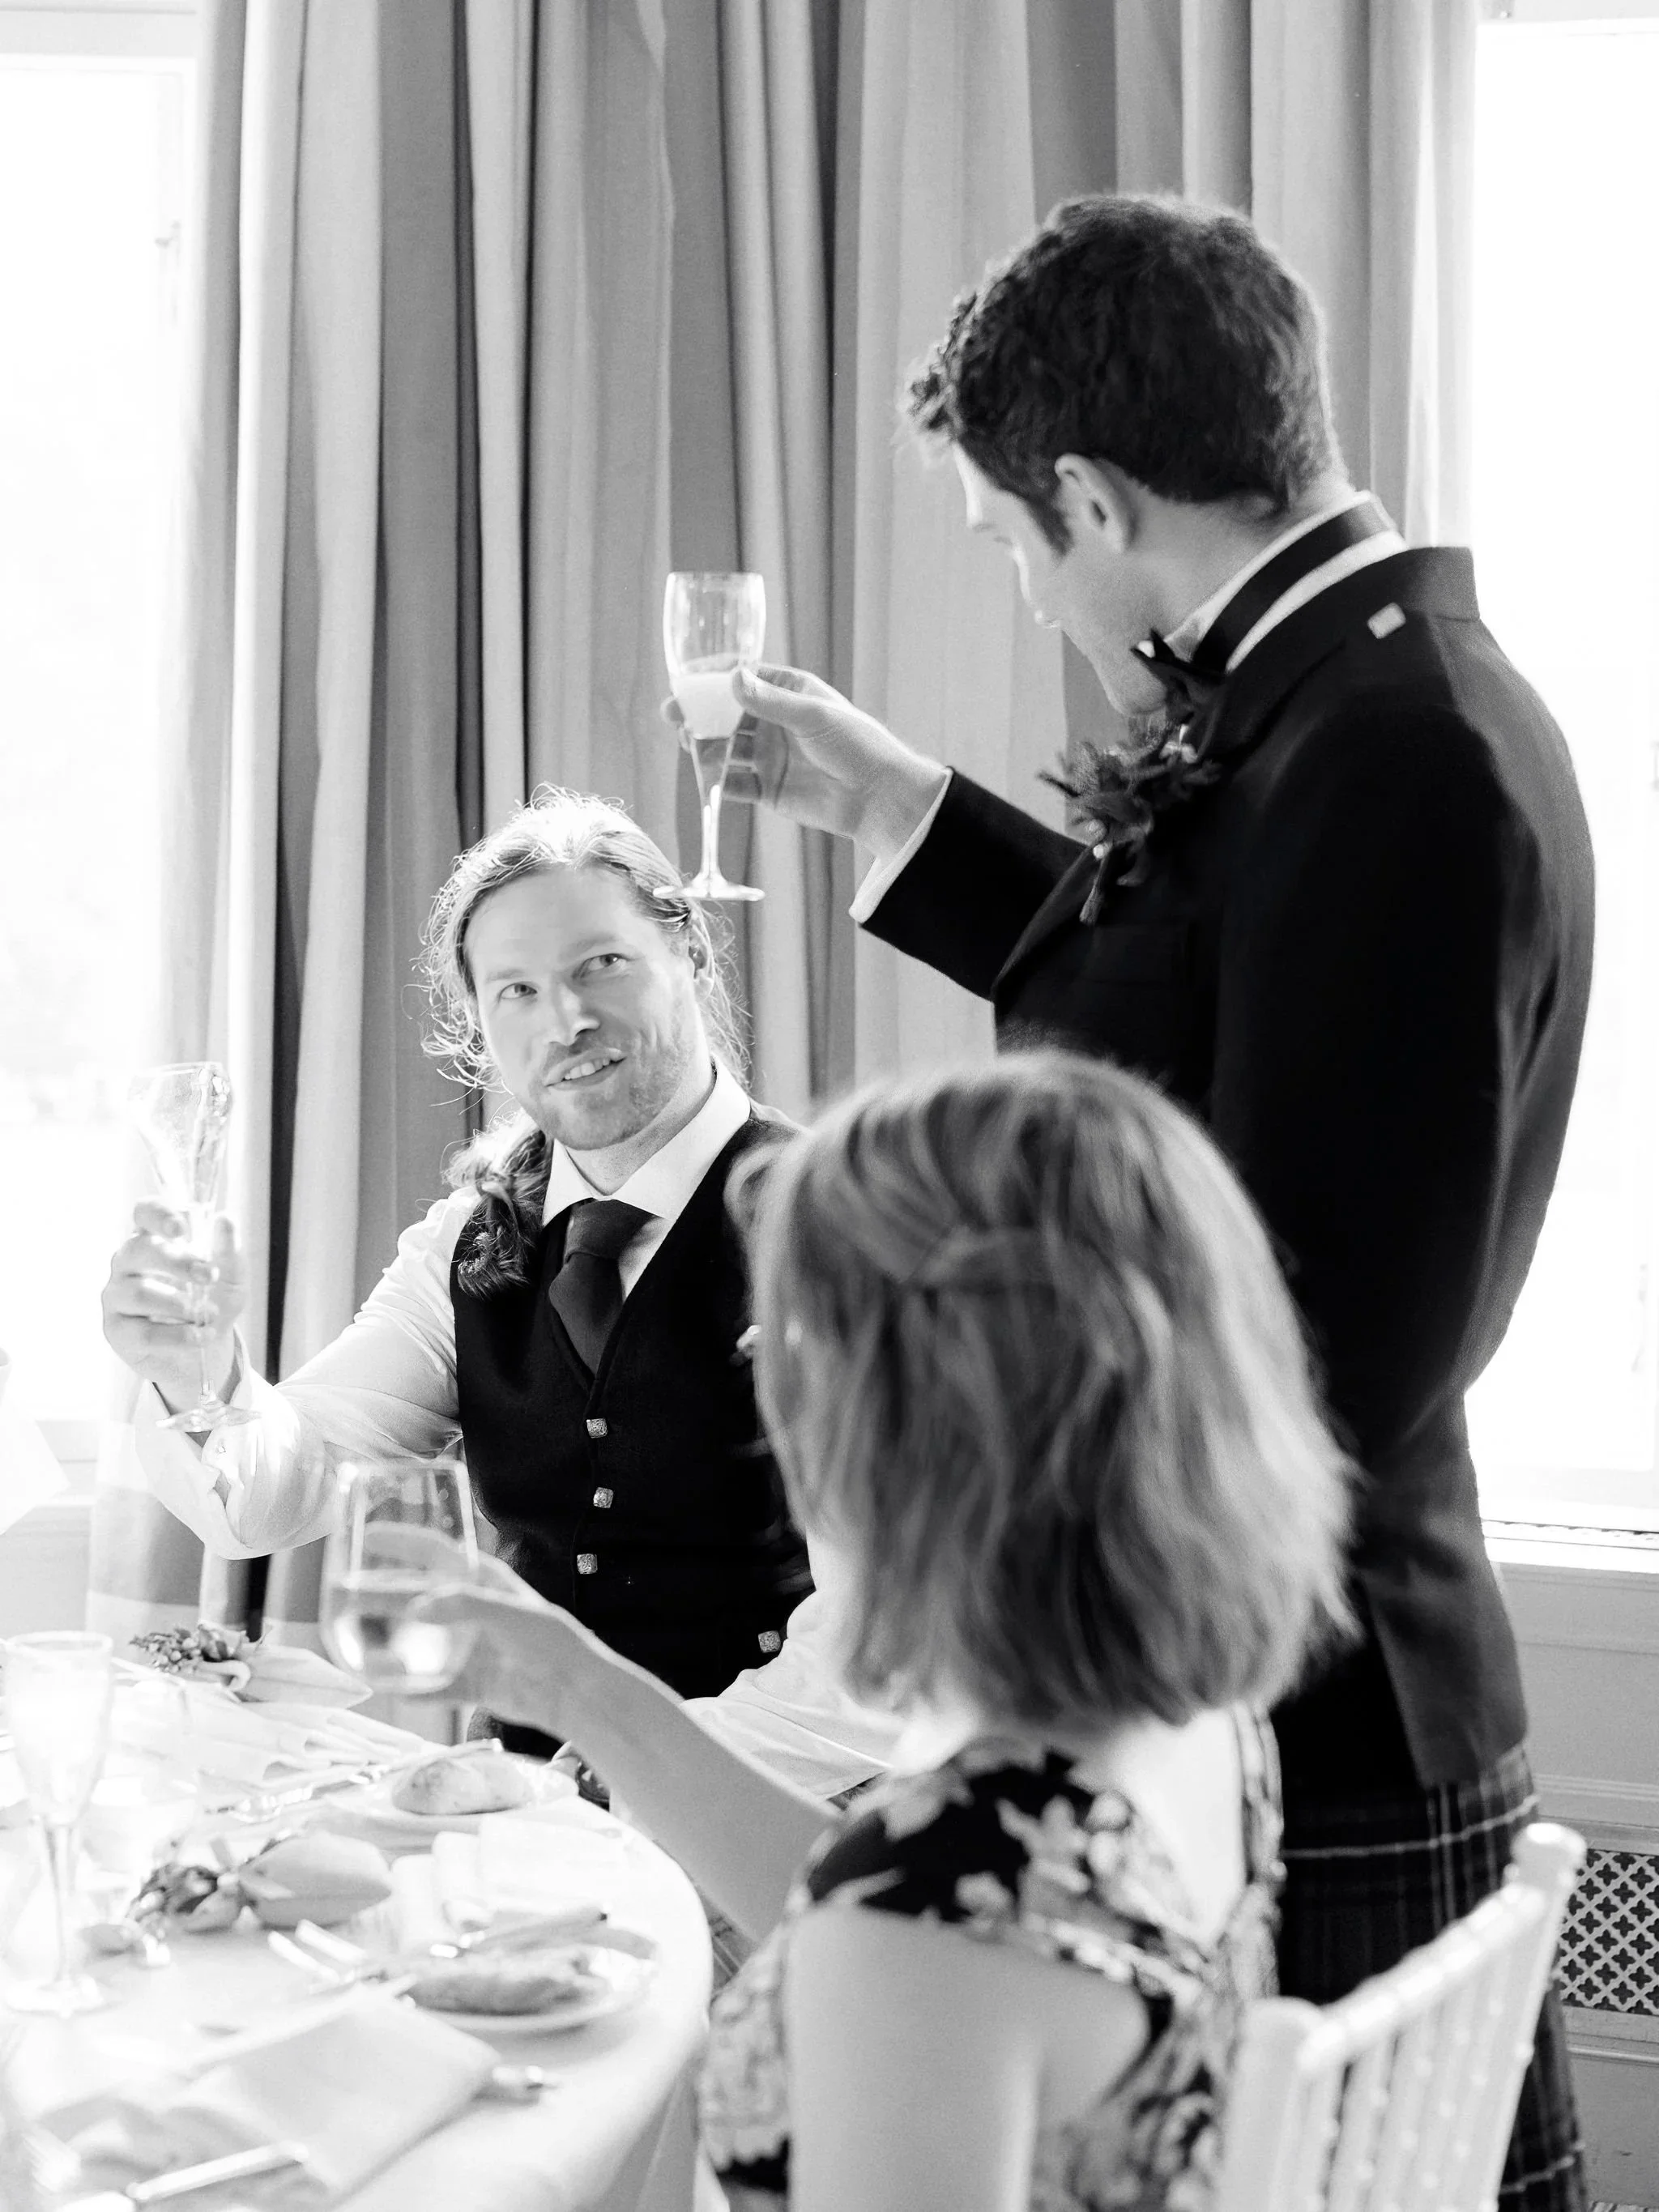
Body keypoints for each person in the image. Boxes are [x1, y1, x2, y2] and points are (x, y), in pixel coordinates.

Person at [710, 194, 1594, 2210]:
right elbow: (1217, 1000)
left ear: (1092, 500)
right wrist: (898, 811)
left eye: (1011, 542)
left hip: (1307, 1689)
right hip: (1283, 1671)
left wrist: (949, 1395)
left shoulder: (1394, 757)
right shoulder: (1353, 692)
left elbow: (1312, 1317)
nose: (1029, 594)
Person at [421, 1051, 1354, 2212]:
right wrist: (587, 1693)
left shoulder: (924, 1935)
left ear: (928, 1409)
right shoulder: (1185, 1726)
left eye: (790, 1340)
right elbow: (873, 1898)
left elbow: (905, 1936)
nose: (764, 1384)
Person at [101, 790, 893, 1788]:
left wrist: (627, 1777)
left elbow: (881, 1650)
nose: (566, 1019)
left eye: (599, 964)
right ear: (478, 1021)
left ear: (687, 950)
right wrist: (198, 1375)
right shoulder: (466, 1241)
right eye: (515, 990)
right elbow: (279, 1491)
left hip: (771, 1821)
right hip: (518, 1811)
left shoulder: (842, 1227)